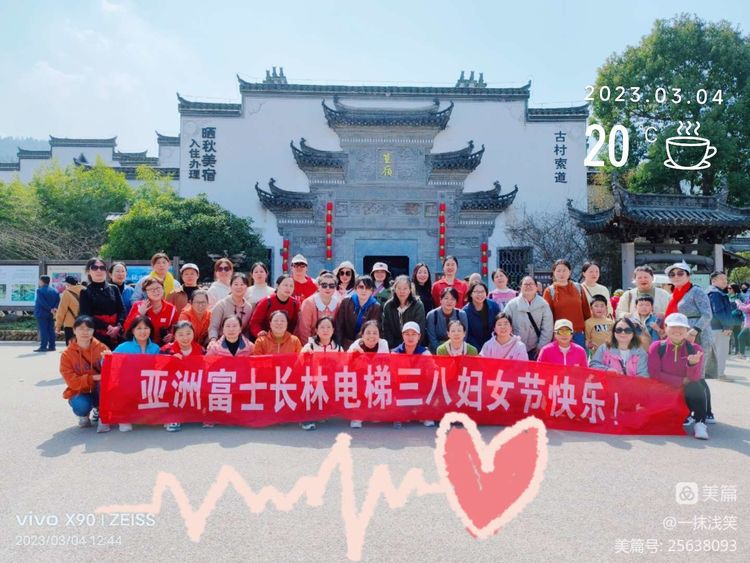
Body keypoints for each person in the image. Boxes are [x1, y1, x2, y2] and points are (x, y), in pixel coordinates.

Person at [647, 313, 710, 439]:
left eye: (681, 327)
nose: (677, 330)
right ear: (665, 327)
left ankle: (700, 423)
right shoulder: (657, 346)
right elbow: (654, 374)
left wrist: (692, 364)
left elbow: (694, 378)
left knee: (697, 386)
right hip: (663, 389)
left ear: (687, 330)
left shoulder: (696, 349)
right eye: (673, 326)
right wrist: (681, 380)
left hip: (685, 390)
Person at [111, 315, 161, 432]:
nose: (143, 331)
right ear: (132, 330)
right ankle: (124, 418)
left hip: (148, 385)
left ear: (150, 330)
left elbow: (161, 368)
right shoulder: (123, 347)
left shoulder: (156, 348)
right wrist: (106, 356)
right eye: (139, 328)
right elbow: (109, 363)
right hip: (128, 385)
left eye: (146, 328)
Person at [59, 315, 110, 428]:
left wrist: (110, 360)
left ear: (93, 331)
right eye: (81, 329)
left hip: (98, 390)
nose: (85, 332)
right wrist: (93, 377)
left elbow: (112, 373)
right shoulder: (67, 355)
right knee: (80, 404)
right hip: (80, 390)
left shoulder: (102, 348)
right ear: (74, 330)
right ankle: (84, 415)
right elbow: (71, 381)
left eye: (89, 329)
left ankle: (102, 411)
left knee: (104, 384)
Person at [664, 262, 713, 373]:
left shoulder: (697, 291)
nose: (676, 276)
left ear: (689, 275)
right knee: (680, 370)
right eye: (672, 274)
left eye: (680, 273)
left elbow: (707, 314)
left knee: (697, 369)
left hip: (698, 334)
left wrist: (693, 332)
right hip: (679, 335)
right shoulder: (673, 295)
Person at [299, 316, 343, 431]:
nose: (325, 330)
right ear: (316, 331)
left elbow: (343, 368)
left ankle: (323, 412)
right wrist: (305, 356)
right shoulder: (310, 346)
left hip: (331, 383)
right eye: (322, 327)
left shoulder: (338, 348)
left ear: (333, 330)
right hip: (312, 382)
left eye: (328, 327)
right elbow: (299, 365)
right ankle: (306, 418)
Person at [160, 320, 204, 432]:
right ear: (174, 336)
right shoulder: (166, 350)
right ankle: (172, 417)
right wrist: (170, 359)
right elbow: (158, 368)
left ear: (193, 333)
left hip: (193, 382)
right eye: (180, 334)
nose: (185, 337)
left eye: (188, 333)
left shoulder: (200, 349)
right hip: (173, 383)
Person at [503, 275, 553, 360]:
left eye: (531, 284)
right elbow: (505, 324)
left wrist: (541, 346)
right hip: (515, 348)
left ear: (536, 287)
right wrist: (510, 344)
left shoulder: (543, 304)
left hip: (535, 349)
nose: (528, 286)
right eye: (525, 284)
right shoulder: (512, 305)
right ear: (520, 287)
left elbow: (547, 328)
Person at [79, 257, 125, 350]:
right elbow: (86, 316)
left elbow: (122, 310)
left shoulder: (114, 288)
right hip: (96, 334)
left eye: (102, 268)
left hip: (117, 333)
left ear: (106, 271)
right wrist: (107, 327)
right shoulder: (85, 291)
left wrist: (118, 326)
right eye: (95, 267)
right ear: (88, 271)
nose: (99, 270)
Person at [542, 259, 590, 348]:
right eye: (558, 271)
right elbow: (547, 317)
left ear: (570, 272)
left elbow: (586, 312)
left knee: (579, 357)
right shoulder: (549, 291)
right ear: (554, 273)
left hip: (578, 334)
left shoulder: (578, 288)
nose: (561, 274)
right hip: (560, 334)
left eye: (564, 270)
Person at [124, 278, 178, 346]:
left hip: (163, 347)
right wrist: (139, 314)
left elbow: (176, 328)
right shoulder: (138, 306)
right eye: (151, 289)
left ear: (163, 289)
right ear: (146, 292)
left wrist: (172, 335)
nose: (155, 291)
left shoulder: (171, 309)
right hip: (141, 346)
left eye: (158, 288)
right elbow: (126, 328)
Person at [335, 275, 381, 349]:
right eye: (361, 287)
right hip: (344, 343)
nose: (364, 290)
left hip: (364, 345)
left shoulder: (376, 306)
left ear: (372, 291)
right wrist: (339, 345)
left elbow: (373, 329)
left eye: (367, 288)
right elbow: (339, 325)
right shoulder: (346, 302)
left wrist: (357, 345)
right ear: (355, 289)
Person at [208, 273, 253, 349]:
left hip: (240, 345)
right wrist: (213, 341)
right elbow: (213, 327)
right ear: (230, 286)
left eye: (242, 284)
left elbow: (246, 330)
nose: (239, 287)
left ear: (247, 288)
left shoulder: (248, 307)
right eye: (236, 284)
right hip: (220, 344)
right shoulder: (221, 305)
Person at [295, 271, 341, 343]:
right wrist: (311, 346)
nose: (328, 288)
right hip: (309, 343)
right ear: (318, 286)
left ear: (335, 288)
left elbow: (338, 329)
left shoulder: (338, 303)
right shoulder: (308, 303)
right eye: (324, 285)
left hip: (329, 344)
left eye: (331, 285)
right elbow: (304, 330)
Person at [382, 275, 426, 349]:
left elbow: (420, 329)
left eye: (405, 288)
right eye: (399, 288)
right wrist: (392, 347)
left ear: (410, 289)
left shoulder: (418, 305)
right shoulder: (388, 306)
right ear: (394, 289)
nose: (402, 291)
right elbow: (387, 329)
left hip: (414, 345)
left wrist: (411, 347)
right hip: (394, 346)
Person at [249, 275, 299, 339]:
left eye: (291, 286)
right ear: (277, 286)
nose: (288, 288)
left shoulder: (295, 304)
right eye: (285, 285)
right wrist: (260, 333)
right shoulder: (266, 302)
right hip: (265, 338)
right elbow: (254, 323)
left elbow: (293, 324)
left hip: (284, 338)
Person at [706, 271, 733, 379]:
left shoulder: (712, 292)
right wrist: (727, 326)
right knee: (721, 351)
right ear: (713, 280)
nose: (725, 281)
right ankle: (720, 374)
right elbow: (718, 311)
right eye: (722, 279)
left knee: (716, 351)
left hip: (715, 327)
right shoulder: (716, 293)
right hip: (720, 327)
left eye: (726, 279)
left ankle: (716, 373)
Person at [425, 287, 469, 353]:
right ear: (440, 300)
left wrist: (455, 350)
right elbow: (432, 338)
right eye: (446, 298)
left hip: (458, 350)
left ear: (456, 301)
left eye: (453, 299)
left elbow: (464, 336)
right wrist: (442, 351)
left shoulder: (461, 314)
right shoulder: (432, 315)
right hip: (437, 351)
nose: (449, 302)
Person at [463, 281, 500, 350]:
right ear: (471, 294)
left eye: (482, 291)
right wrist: (479, 350)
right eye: (477, 292)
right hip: (474, 348)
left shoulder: (494, 306)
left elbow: (498, 326)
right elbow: (467, 334)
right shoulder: (465, 311)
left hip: (494, 345)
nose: (480, 294)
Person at [34, 275, 60, 352]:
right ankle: (52, 346)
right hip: (51, 314)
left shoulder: (39, 290)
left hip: (42, 313)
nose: (39, 282)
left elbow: (42, 302)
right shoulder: (55, 290)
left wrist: (50, 309)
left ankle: (43, 346)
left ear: (42, 281)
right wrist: (54, 308)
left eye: (39, 280)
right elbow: (58, 301)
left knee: (43, 330)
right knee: (51, 330)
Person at [55, 275, 83, 345]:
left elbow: (62, 311)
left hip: (70, 325)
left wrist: (58, 326)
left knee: (71, 347)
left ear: (68, 284)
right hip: (84, 324)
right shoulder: (85, 290)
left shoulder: (66, 293)